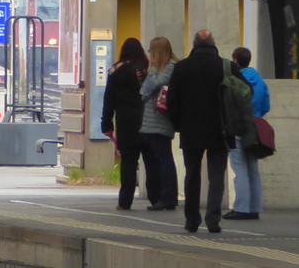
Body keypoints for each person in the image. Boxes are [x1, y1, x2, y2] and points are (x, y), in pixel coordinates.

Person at [166, 29, 245, 234]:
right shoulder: (227, 66)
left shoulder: (182, 67)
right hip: (221, 127)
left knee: (192, 174)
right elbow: (245, 93)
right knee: (217, 175)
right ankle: (213, 220)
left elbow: (172, 99)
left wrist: (177, 124)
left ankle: (191, 220)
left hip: (190, 129)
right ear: (214, 43)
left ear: (193, 44)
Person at [100, 37, 149, 211]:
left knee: (128, 162)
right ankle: (157, 197)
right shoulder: (145, 69)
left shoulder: (115, 71)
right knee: (151, 160)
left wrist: (106, 124)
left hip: (126, 122)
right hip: (147, 119)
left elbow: (109, 100)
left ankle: (125, 201)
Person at [225, 47, 270, 220]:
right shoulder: (259, 79)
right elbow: (266, 105)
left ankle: (241, 207)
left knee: (239, 168)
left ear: (235, 60)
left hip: (237, 126)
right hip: (255, 126)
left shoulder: (235, 80)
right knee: (253, 168)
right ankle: (254, 207)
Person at [138, 36, 179, 211]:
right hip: (151, 121)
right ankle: (164, 197)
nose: (149, 54)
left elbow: (153, 85)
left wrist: (152, 69)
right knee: (160, 159)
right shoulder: (161, 69)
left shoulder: (170, 67)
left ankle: (168, 197)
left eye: (151, 50)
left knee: (164, 159)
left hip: (160, 122)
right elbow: (144, 90)